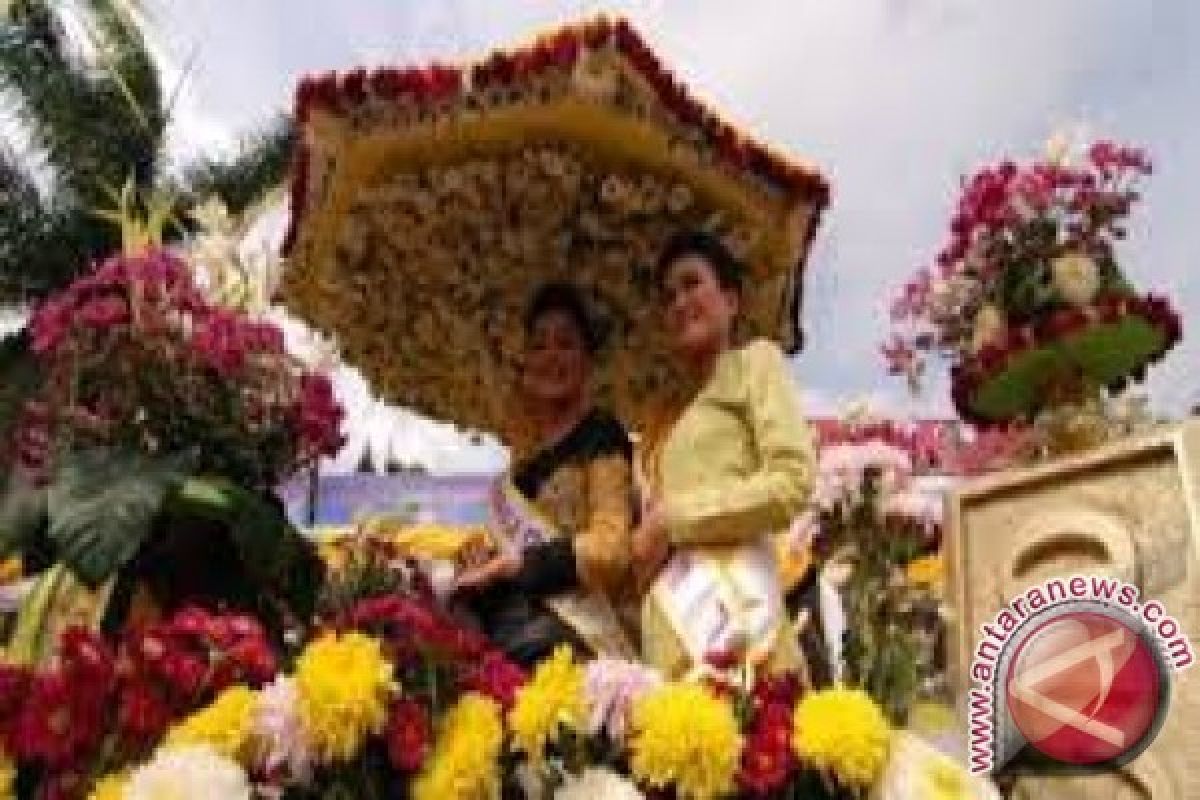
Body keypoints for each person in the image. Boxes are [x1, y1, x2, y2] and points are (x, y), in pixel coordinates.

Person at [633, 230, 817, 680]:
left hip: (743, 615)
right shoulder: (658, 418)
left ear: (732, 300)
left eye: (692, 283)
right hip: (667, 625)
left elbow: (791, 481)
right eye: (668, 295)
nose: (678, 301)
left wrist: (673, 519)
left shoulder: (755, 363)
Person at [454, 282, 636, 667]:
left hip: (581, 640)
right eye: (538, 345)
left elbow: (613, 550)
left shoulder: (600, 433)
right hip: (517, 630)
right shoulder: (521, 461)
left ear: (588, 359)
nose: (551, 356)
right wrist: (483, 557)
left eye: (566, 343)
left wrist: (522, 564)